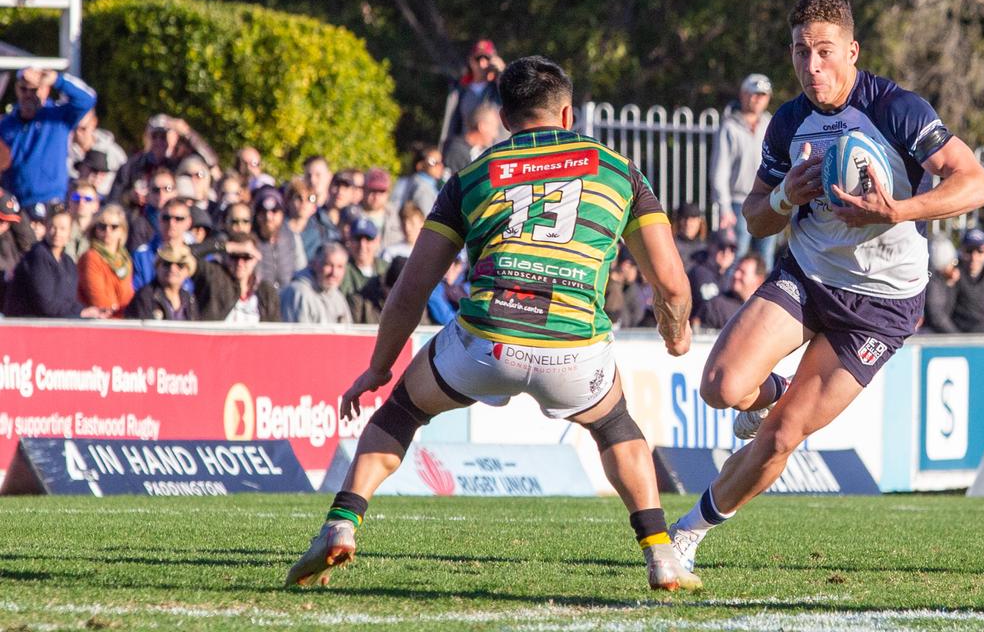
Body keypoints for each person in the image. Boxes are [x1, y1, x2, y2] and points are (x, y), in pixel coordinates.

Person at [285, 55, 701, 592]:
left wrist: (377, 369)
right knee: (616, 425)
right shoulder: (619, 171)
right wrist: (675, 332)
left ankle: (342, 522)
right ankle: (661, 554)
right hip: (573, 346)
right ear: (568, 113)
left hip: (487, 340)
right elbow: (671, 285)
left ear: (504, 118)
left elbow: (411, 289)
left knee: (403, 410)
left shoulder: (472, 176)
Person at [666, 0, 984, 575]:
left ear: (852, 51)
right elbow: (756, 216)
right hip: (810, 276)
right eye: (800, 52)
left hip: (882, 306)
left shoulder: (898, 109)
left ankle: (687, 534)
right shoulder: (788, 123)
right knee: (720, 386)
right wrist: (789, 194)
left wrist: (898, 210)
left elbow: (977, 183)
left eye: (824, 51)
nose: (811, 66)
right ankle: (771, 390)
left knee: (782, 435)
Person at [0, 68, 97, 207]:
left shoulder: (58, 116)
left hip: (50, 200)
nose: (28, 95)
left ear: (46, 90)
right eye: (23, 89)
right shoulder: (6, 124)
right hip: (15, 202)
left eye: (34, 90)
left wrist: (57, 80)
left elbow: (87, 98)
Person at [712, 73, 776, 263]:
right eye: (753, 93)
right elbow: (719, 171)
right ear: (743, 95)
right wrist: (724, 207)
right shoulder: (730, 126)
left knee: (765, 261)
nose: (757, 98)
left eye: (763, 95)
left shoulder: (771, 124)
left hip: (768, 200)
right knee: (735, 259)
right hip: (738, 203)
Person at [4, 205, 106, 318]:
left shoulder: (68, 262)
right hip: (26, 326)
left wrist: (91, 311)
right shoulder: (38, 256)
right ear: (46, 228)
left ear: (70, 232)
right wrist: (81, 312)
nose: (57, 233)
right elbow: (46, 305)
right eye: (53, 227)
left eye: (63, 228)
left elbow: (69, 301)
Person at [192, 233, 282, 323]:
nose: (240, 262)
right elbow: (184, 253)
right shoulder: (214, 276)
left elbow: (275, 330)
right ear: (226, 257)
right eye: (234, 256)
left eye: (246, 257)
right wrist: (228, 246)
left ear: (256, 259)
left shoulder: (266, 292)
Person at [439, 39, 504, 146]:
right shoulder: (460, 90)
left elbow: (514, 97)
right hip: (469, 153)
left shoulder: (499, 88)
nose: (482, 64)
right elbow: (450, 126)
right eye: (478, 58)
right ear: (471, 61)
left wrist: (502, 72)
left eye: (487, 58)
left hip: (496, 151)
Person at [77, 204, 134, 318]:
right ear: (95, 229)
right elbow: (99, 301)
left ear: (122, 231)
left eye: (114, 227)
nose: (108, 231)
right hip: (100, 323)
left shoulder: (125, 259)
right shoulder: (91, 257)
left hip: (122, 320)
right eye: (102, 226)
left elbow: (128, 297)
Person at [280, 242, 354, 324]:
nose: (334, 273)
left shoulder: (338, 297)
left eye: (339, 267)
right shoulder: (298, 293)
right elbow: (297, 335)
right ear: (314, 264)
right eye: (328, 265)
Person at [693, 252, 768, 331]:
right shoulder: (716, 307)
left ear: (759, 280)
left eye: (742, 272)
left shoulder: (764, 311)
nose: (736, 275)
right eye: (736, 270)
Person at [125, 244, 199, 320]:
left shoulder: (190, 299)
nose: (172, 269)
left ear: (187, 271)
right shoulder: (145, 297)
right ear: (157, 267)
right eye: (167, 264)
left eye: (180, 265)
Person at [132, 198, 192, 291]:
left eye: (178, 219)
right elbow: (137, 291)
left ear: (189, 222)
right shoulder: (142, 255)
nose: (171, 223)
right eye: (166, 218)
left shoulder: (197, 254)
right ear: (159, 220)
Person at [68, 109, 127, 195]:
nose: (78, 133)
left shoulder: (115, 153)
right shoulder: (62, 152)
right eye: (74, 128)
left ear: (94, 123)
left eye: (83, 128)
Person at [952, 228, 984, 333]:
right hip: (957, 335)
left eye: (980, 251)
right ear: (961, 250)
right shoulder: (951, 274)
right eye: (969, 251)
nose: (974, 256)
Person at [252, 187, 298, 290]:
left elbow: (300, 268)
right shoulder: (250, 241)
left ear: (282, 214)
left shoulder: (290, 237)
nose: (268, 217)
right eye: (263, 211)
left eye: (274, 211)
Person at [687, 231, 736, 321]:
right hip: (699, 331)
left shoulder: (730, 276)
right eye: (722, 247)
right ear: (710, 247)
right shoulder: (700, 273)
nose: (726, 253)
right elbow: (713, 309)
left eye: (732, 249)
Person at [442, 102, 502, 176]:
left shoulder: (481, 152)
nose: (496, 134)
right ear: (482, 127)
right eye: (494, 128)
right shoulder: (456, 151)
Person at [920, 235, 961, 333]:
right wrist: (957, 337)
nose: (954, 266)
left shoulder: (942, 280)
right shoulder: (934, 283)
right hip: (929, 334)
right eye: (953, 262)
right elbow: (937, 316)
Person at [357, 168, 403, 249]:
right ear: (364, 189)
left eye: (381, 191)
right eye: (372, 190)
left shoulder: (399, 216)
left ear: (388, 192)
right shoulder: (352, 215)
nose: (376, 196)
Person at [66, 182, 101, 261]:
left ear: (96, 205)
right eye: (76, 198)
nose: (81, 203)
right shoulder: (61, 229)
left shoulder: (101, 232)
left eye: (88, 199)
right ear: (69, 202)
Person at [672, 202, 708, 271]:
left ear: (699, 221)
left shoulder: (706, 247)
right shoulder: (671, 245)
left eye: (693, 219)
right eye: (684, 219)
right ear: (678, 221)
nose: (688, 223)